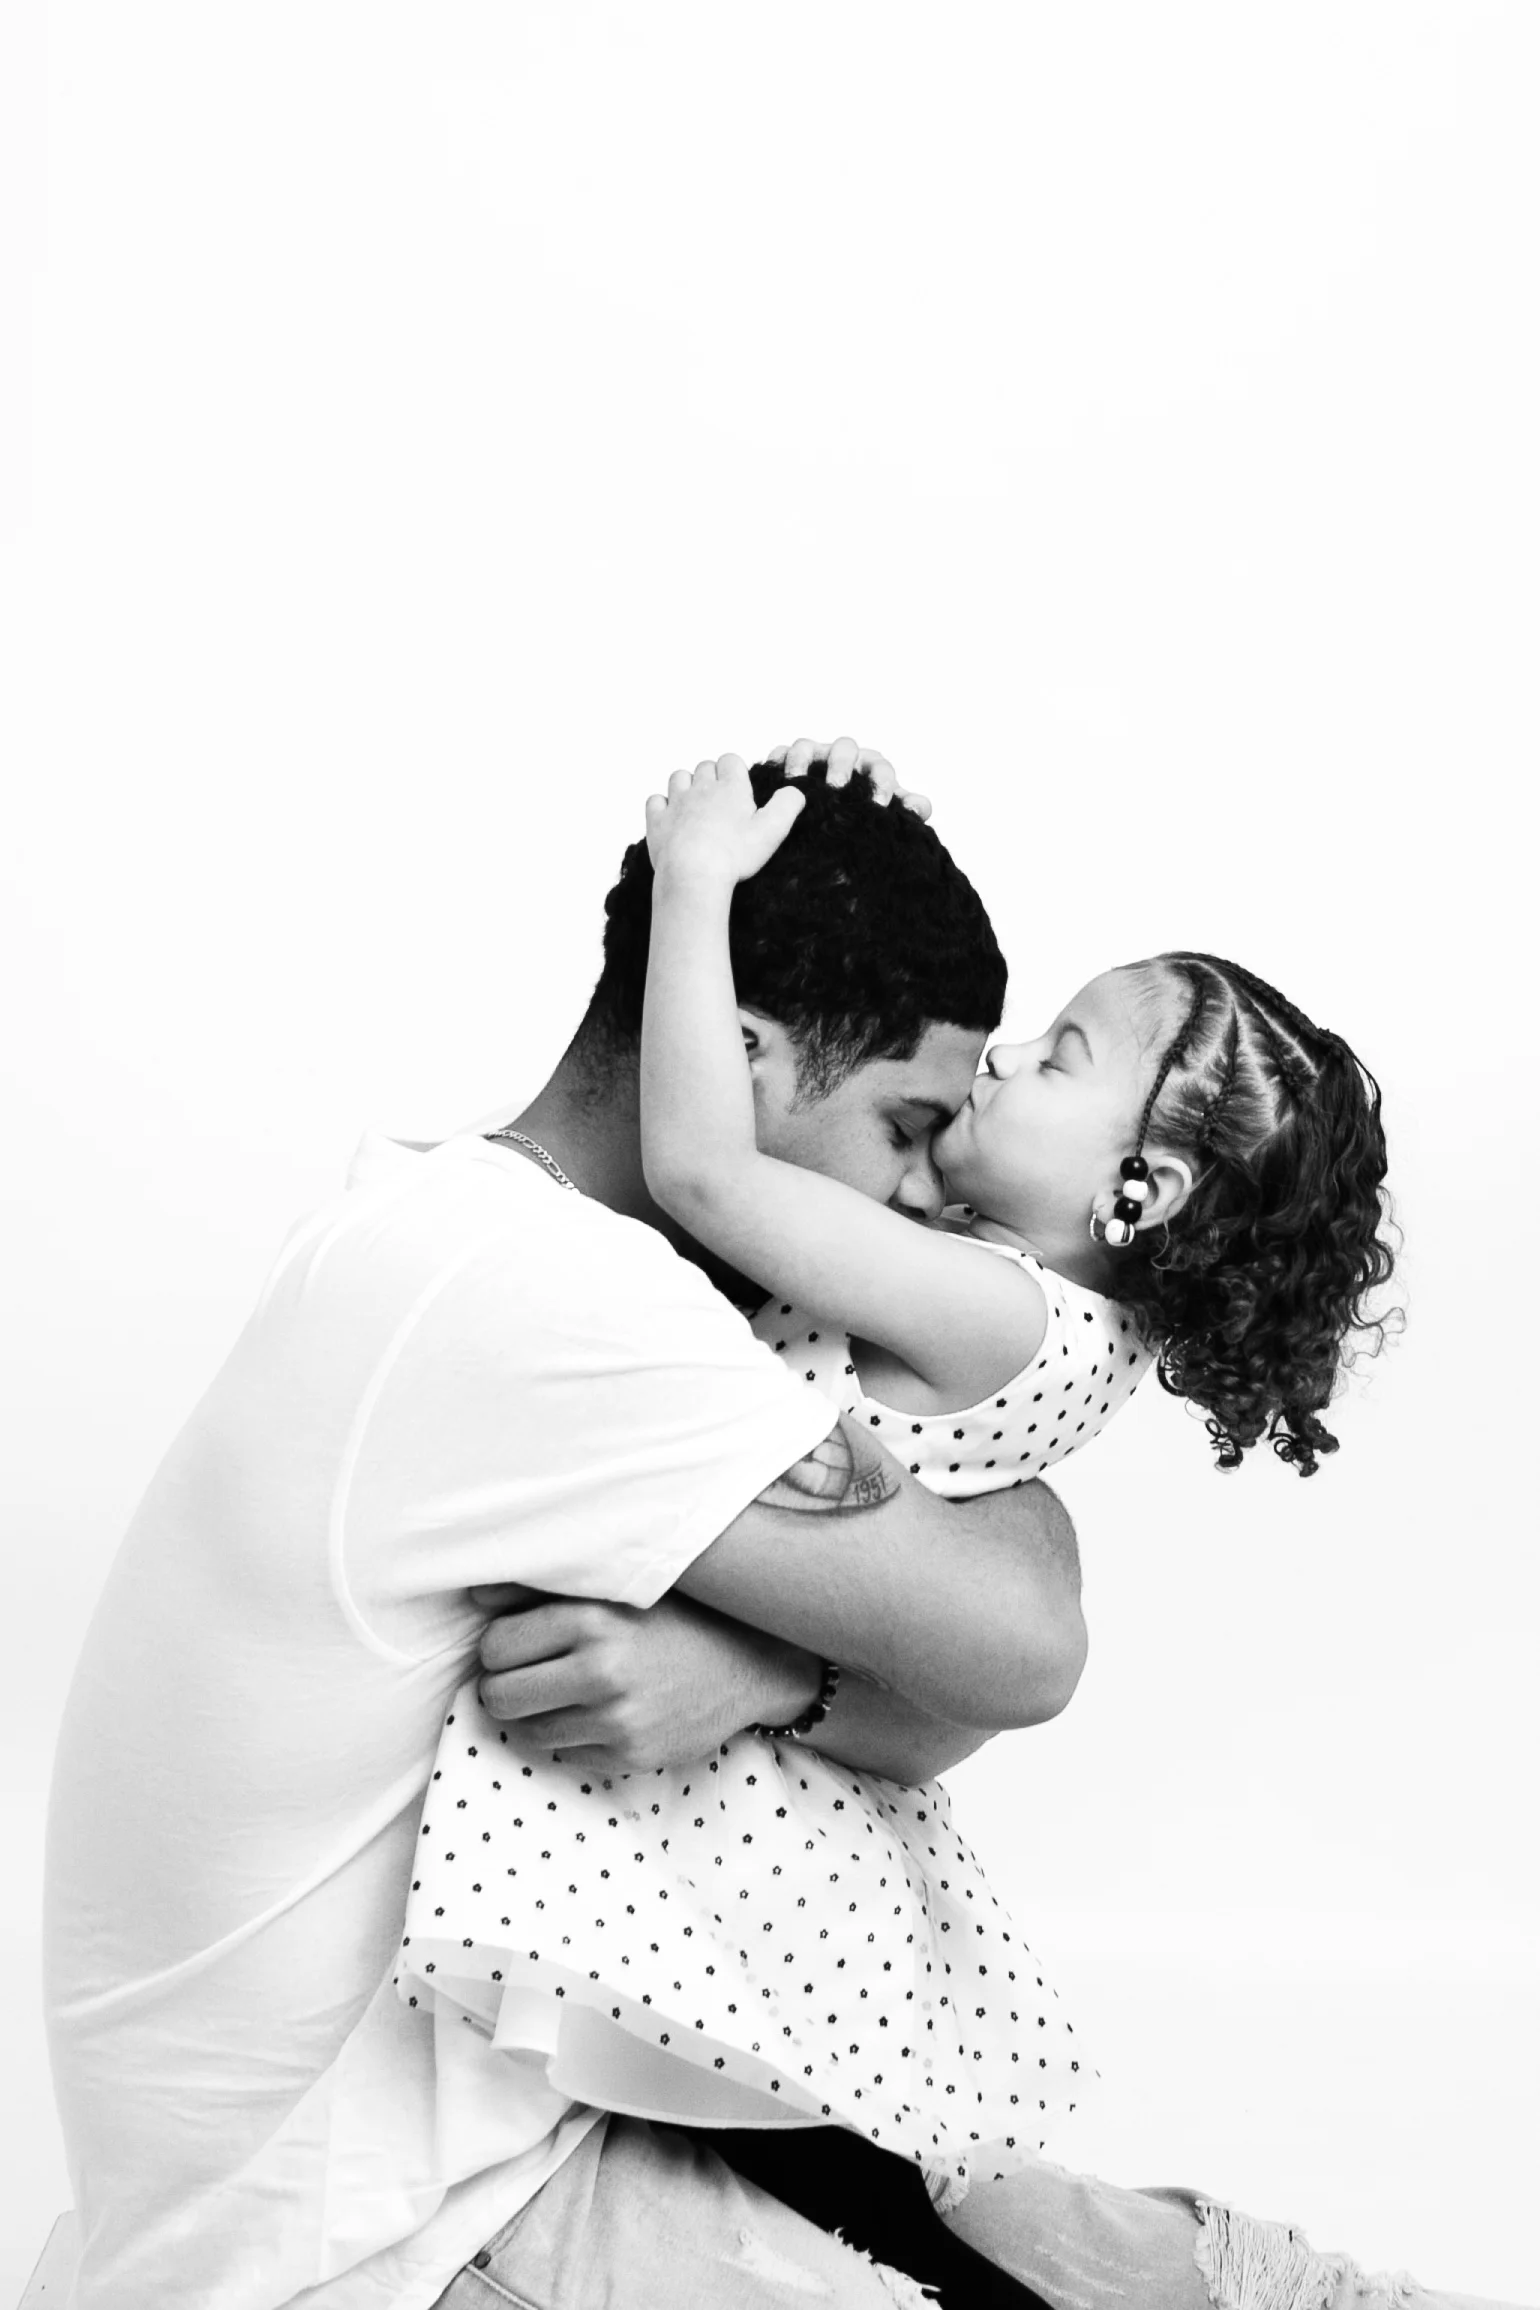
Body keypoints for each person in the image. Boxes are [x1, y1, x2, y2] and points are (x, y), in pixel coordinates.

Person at [42, 742, 1088, 2310]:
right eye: (904, 1124)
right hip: (379, 2248)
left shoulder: (446, 1226)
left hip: (414, 2164)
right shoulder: (559, 1307)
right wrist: (811, 1669)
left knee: (1152, 2257)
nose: (937, 1193)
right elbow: (1019, 1639)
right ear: (742, 1057)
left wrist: (751, 1676)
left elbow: (954, 1672)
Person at [397, 753, 1399, 2305]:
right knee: (827, 2171)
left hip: (755, 1817)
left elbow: (704, 1168)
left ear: (1140, 1192)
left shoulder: (996, 1306)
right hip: (790, 1778)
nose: (994, 1069)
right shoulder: (1036, 1311)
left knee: (792, 2167)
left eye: (1056, 1058)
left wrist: (700, 888)